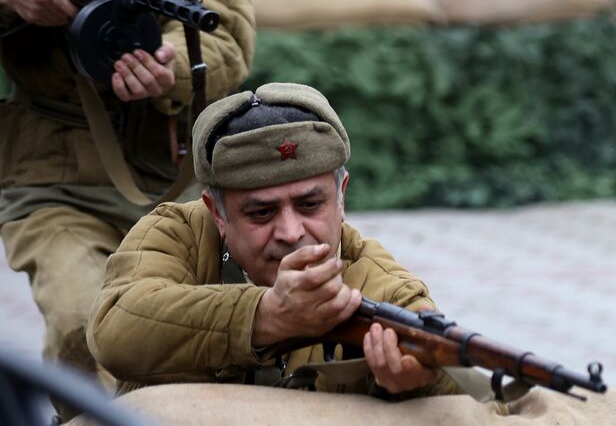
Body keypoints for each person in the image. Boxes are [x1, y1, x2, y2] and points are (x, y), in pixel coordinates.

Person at [0, 0, 255, 416]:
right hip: (48, 161)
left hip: (167, 166)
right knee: (87, 326)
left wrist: (166, 67)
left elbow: (223, 40)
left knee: (192, 341)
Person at [88, 82, 461, 398]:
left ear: (341, 196)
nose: (290, 232)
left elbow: (455, 382)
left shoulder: (375, 277)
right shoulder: (176, 234)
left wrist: (416, 381)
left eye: (310, 204)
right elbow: (115, 329)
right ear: (217, 213)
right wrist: (265, 316)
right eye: (261, 213)